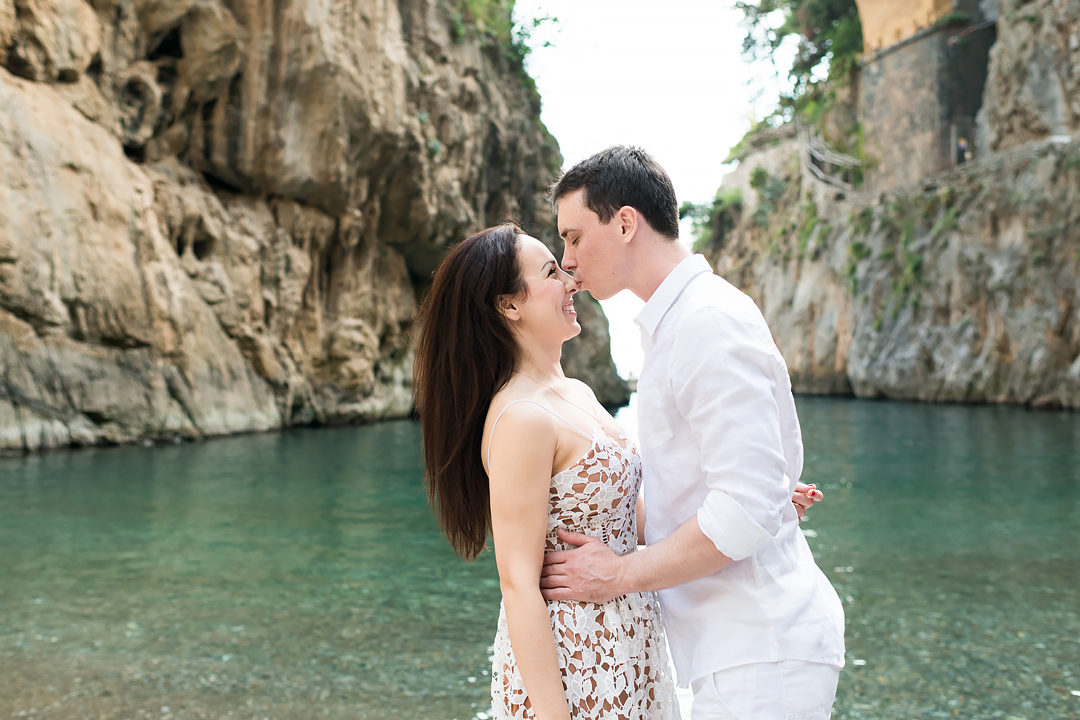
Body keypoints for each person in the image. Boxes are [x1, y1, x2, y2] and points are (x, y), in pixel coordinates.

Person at [413, 223, 822, 719]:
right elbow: (518, 585)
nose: (569, 280)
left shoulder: (577, 393)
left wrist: (760, 497)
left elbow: (635, 515)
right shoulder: (520, 417)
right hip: (574, 663)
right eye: (549, 271)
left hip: (631, 644)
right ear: (508, 305)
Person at [540, 146, 846, 720]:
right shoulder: (680, 322)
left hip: (761, 652)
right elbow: (755, 487)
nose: (568, 260)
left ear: (626, 222)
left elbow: (748, 507)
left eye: (575, 237)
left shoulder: (705, 323)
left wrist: (618, 575)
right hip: (739, 652)